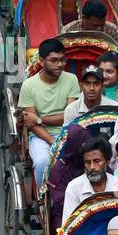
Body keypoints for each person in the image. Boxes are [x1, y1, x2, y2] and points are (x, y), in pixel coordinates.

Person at [18, 37, 80, 188]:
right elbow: (30, 123)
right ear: (41, 61)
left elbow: (69, 116)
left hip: (67, 132)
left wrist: (39, 119)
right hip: (40, 136)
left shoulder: (71, 80)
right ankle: (43, 202)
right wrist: (53, 142)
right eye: (54, 60)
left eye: (62, 60)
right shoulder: (29, 86)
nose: (59, 65)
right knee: (41, 163)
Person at [61, 134, 118, 225]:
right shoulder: (74, 187)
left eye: (97, 161)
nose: (92, 167)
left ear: (107, 161)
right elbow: (68, 226)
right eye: (88, 162)